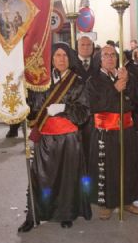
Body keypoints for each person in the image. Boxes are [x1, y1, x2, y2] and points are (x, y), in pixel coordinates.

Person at [18, 43, 91, 231]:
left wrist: (65, 108)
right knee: (41, 178)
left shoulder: (78, 82)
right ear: (51, 59)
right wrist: (21, 96)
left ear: (70, 58)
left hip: (69, 139)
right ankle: (33, 215)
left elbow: (84, 113)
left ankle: (66, 214)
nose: (61, 59)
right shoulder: (40, 82)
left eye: (65, 55)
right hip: (46, 139)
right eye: (57, 55)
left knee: (67, 179)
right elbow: (33, 109)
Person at [85, 45, 138, 220]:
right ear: (100, 59)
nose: (110, 58)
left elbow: (136, 99)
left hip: (126, 129)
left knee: (127, 165)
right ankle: (107, 203)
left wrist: (128, 83)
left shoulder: (125, 76)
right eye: (106, 55)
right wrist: (114, 90)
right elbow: (94, 105)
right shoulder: (93, 81)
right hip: (106, 131)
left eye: (113, 55)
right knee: (108, 168)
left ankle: (127, 201)